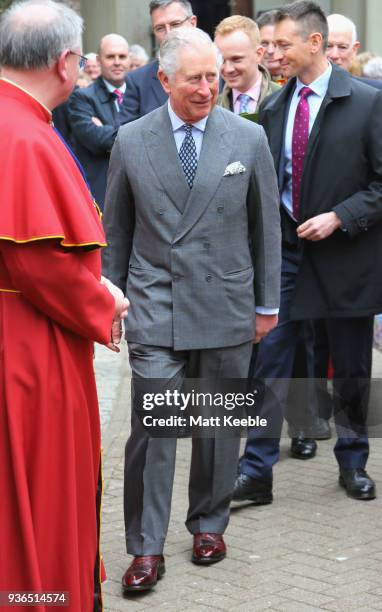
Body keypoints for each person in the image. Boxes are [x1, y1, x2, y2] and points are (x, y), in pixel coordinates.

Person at [102, 26, 281, 592]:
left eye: (215, 76)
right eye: (195, 78)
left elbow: (265, 230)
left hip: (227, 305)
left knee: (217, 427)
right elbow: (117, 230)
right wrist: (110, 299)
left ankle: (209, 523)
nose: (208, 88)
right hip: (156, 306)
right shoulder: (131, 140)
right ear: (164, 80)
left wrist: (266, 305)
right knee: (153, 429)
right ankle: (146, 547)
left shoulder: (246, 139)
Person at [0, 2, 129, 610]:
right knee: (40, 489)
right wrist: (101, 300)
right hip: (26, 347)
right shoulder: (22, 132)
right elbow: (36, 261)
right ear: (66, 62)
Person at [234, 0, 382, 505]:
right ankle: (255, 470)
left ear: (314, 43)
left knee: (352, 363)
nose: (271, 53)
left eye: (281, 44)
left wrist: (341, 215)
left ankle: (354, 460)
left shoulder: (366, 101)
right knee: (270, 362)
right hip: (287, 257)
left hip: (346, 258)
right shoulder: (274, 108)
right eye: (268, 45)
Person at [69, 34, 130, 210]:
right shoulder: (82, 98)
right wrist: (139, 134)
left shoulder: (141, 93)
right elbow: (95, 139)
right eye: (110, 56)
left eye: (122, 56)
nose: (117, 62)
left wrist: (106, 130)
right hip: (103, 197)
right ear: (98, 60)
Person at [119, 0, 197, 123]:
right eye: (160, 28)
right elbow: (123, 136)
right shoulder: (138, 81)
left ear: (193, 23)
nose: (169, 33)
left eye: (175, 24)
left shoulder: (220, 72)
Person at [215, 15, 280, 117]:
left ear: (258, 54)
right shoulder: (212, 107)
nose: (228, 69)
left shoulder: (283, 99)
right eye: (222, 60)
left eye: (236, 59)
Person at [256, 10, 285, 84]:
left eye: (276, 44)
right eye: (264, 44)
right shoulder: (246, 85)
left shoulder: (302, 81)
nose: (270, 51)